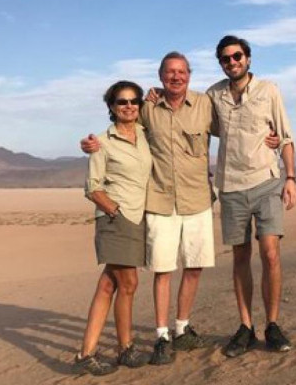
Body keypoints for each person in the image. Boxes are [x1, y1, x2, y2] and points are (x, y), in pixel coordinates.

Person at [82, 53, 216, 366]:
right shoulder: (147, 110)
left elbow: (234, 128)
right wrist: (89, 145)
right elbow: (112, 135)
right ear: (159, 76)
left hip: (197, 199)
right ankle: (160, 337)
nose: (176, 77)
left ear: (189, 75)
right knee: (162, 269)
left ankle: (181, 329)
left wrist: (271, 139)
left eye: (182, 71)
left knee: (194, 266)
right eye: (170, 72)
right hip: (157, 203)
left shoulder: (205, 105)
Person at [207, 35, 296, 358]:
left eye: (237, 56)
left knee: (270, 252)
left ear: (248, 58)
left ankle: (272, 324)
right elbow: (199, 129)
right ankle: (245, 326)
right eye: (225, 59)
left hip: (266, 181)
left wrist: (290, 177)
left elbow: (285, 136)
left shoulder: (268, 91)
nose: (232, 62)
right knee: (240, 257)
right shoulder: (214, 95)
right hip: (231, 185)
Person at [74, 80, 152, 376]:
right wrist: (115, 211)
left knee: (109, 285)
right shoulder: (102, 143)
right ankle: (126, 348)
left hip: (138, 218)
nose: (129, 106)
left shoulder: (144, 134)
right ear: (111, 107)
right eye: (122, 102)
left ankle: (86, 353)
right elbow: (92, 187)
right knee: (129, 283)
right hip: (116, 219)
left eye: (134, 101)